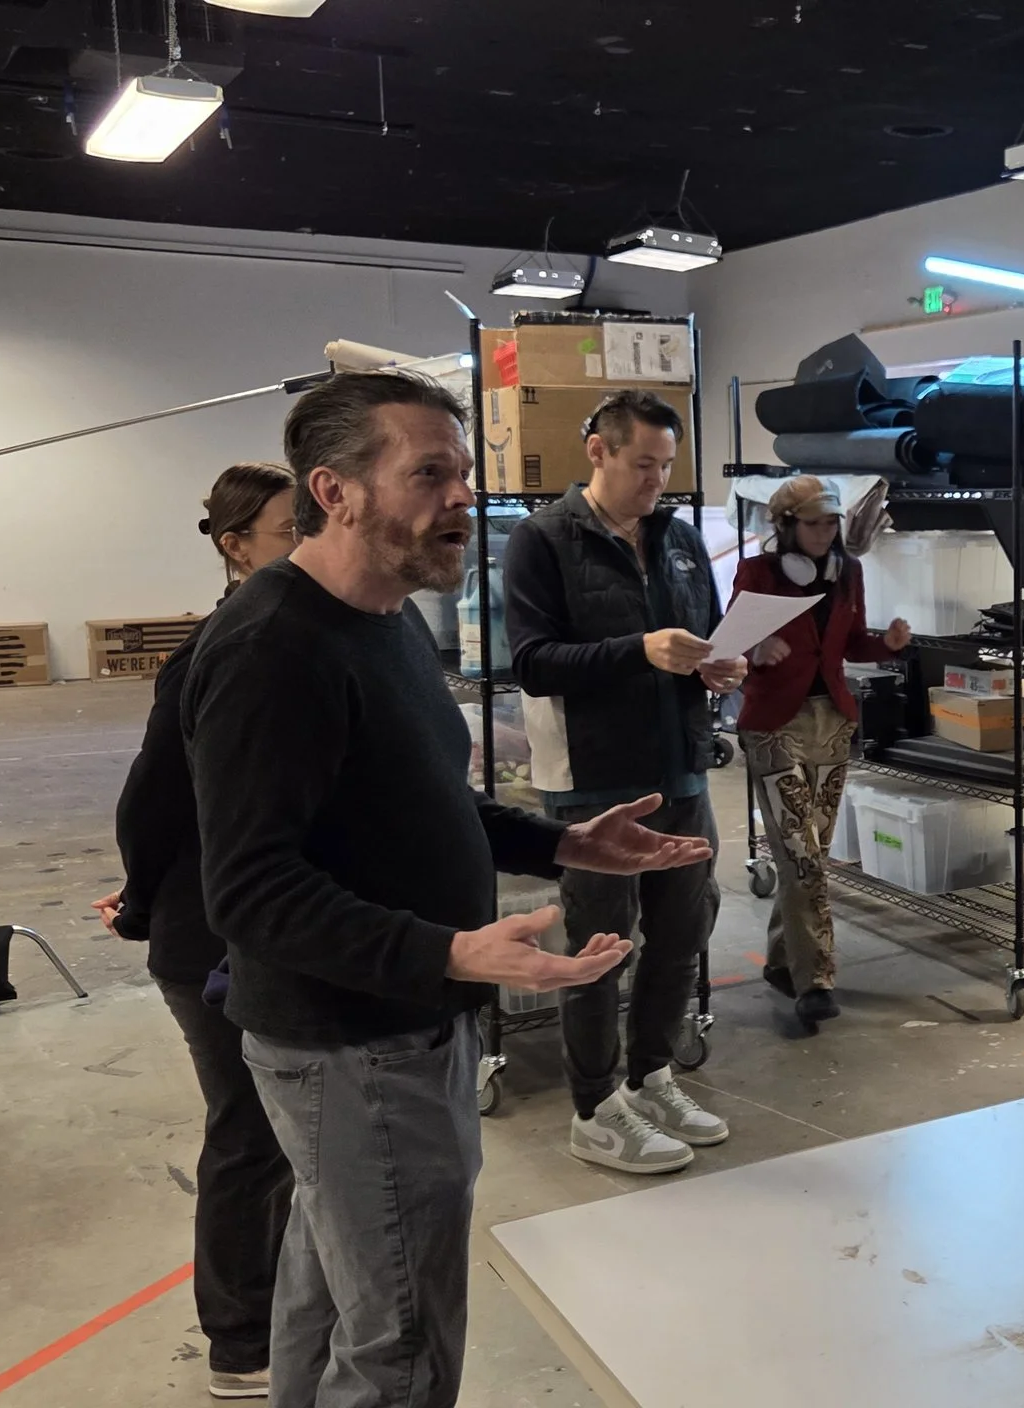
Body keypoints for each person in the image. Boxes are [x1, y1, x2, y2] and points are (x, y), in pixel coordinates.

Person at [186, 370, 706, 1408]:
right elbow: (248, 888)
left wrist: (563, 844)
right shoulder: (270, 649)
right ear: (334, 491)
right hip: (356, 1042)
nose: (463, 497)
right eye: (429, 473)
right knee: (401, 1343)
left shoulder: (385, 619)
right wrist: (451, 952)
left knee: (336, 1292)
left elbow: (420, 801)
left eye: (464, 473)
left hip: (397, 1026)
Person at [93, 461, 298, 1401]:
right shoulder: (221, 650)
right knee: (250, 1132)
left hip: (254, 925)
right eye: (292, 531)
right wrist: (143, 900)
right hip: (207, 935)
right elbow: (152, 802)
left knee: (282, 1134)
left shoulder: (298, 632)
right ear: (235, 546)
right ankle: (240, 1343)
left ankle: (284, 1309)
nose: (313, 543)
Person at [503, 388, 744, 1175]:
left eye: (667, 466)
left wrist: (718, 667)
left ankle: (651, 1077)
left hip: (680, 770)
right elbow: (533, 663)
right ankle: (595, 1106)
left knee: (681, 937)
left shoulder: (678, 539)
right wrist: (639, 650)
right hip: (594, 782)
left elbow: (703, 637)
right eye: (643, 464)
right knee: (600, 950)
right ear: (597, 451)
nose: (657, 481)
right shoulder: (543, 540)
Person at [729, 476, 911, 1028]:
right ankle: (816, 980)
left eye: (832, 522)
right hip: (773, 726)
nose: (826, 533)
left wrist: (887, 645)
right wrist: (756, 647)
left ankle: (783, 960)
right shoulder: (757, 573)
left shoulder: (847, 572)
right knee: (801, 856)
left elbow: (851, 643)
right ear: (785, 526)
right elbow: (728, 643)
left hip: (832, 722)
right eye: (814, 523)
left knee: (810, 852)